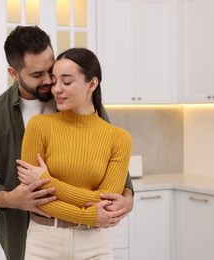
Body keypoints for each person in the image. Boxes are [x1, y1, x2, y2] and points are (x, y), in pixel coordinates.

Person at [0, 25, 134, 260]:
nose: (50, 82)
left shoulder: (82, 103)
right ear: (14, 73)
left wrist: (126, 200)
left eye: (52, 70)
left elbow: (114, 166)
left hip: (90, 236)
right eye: (38, 75)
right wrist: (10, 199)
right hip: (27, 234)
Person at [17, 47, 132, 259]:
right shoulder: (39, 126)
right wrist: (87, 215)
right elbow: (32, 195)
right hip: (44, 242)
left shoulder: (118, 138)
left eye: (67, 82)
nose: (56, 89)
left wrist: (46, 180)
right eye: (54, 81)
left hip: (95, 244)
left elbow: (106, 203)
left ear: (92, 84)